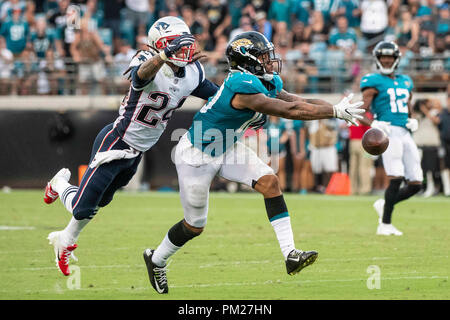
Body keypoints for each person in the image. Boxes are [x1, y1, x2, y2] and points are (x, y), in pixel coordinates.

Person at [142, 31, 365, 294]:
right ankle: (156, 259)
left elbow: (298, 101)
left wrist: (336, 107)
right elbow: (289, 111)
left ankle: (290, 254)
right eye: (262, 56)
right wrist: (333, 112)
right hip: (196, 156)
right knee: (194, 226)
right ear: (246, 60)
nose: (269, 60)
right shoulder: (242, 85)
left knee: (270, 182)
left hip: (227, 146)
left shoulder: (265, 80)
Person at [44, 16, 219, 276]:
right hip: (116, 141)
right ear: (160, 46)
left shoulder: (193, 72)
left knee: (100, 201)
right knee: (82, 206)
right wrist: (162, 56)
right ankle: (60, 183)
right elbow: (140, 77)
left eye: (183, 43)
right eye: (174, 44)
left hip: (137, 151)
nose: (182, 49)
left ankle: (65, 239)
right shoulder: (146, 61)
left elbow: (216, 93)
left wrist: (249, 100)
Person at [359, 41, 423, 236]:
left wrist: (412, 120)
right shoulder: (373, 81)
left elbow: (407, 105)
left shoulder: (406, 81)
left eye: (390, 57)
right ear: (377, 59)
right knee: (396, 178)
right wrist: (373, 124)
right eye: (383, 57)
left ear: (396, 59)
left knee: (416, 183)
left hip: (405, 132)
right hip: (387, 132)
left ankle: (385, 204)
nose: (387, 60)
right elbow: (359, 112)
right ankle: (385, 224)